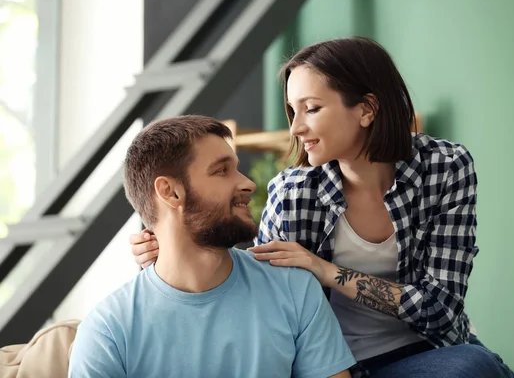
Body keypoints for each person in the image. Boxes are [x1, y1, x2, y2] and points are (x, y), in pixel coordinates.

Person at [130, 37, 514, 378]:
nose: (296, 127)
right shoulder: (293, 193)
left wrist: (326, 271)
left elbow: (441, 309)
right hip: (335, 365)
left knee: (471, 367)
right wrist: (169, 248)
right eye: (292, 111)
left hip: (434, 352)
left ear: (366, 109)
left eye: (311, 109)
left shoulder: (446, 167)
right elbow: (258, 295)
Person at [69, 115, 355, 378]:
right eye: (222, 171)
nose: (248, 184)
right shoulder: (107, 332)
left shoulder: (293, 288)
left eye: (237, 169)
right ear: (170, 192)